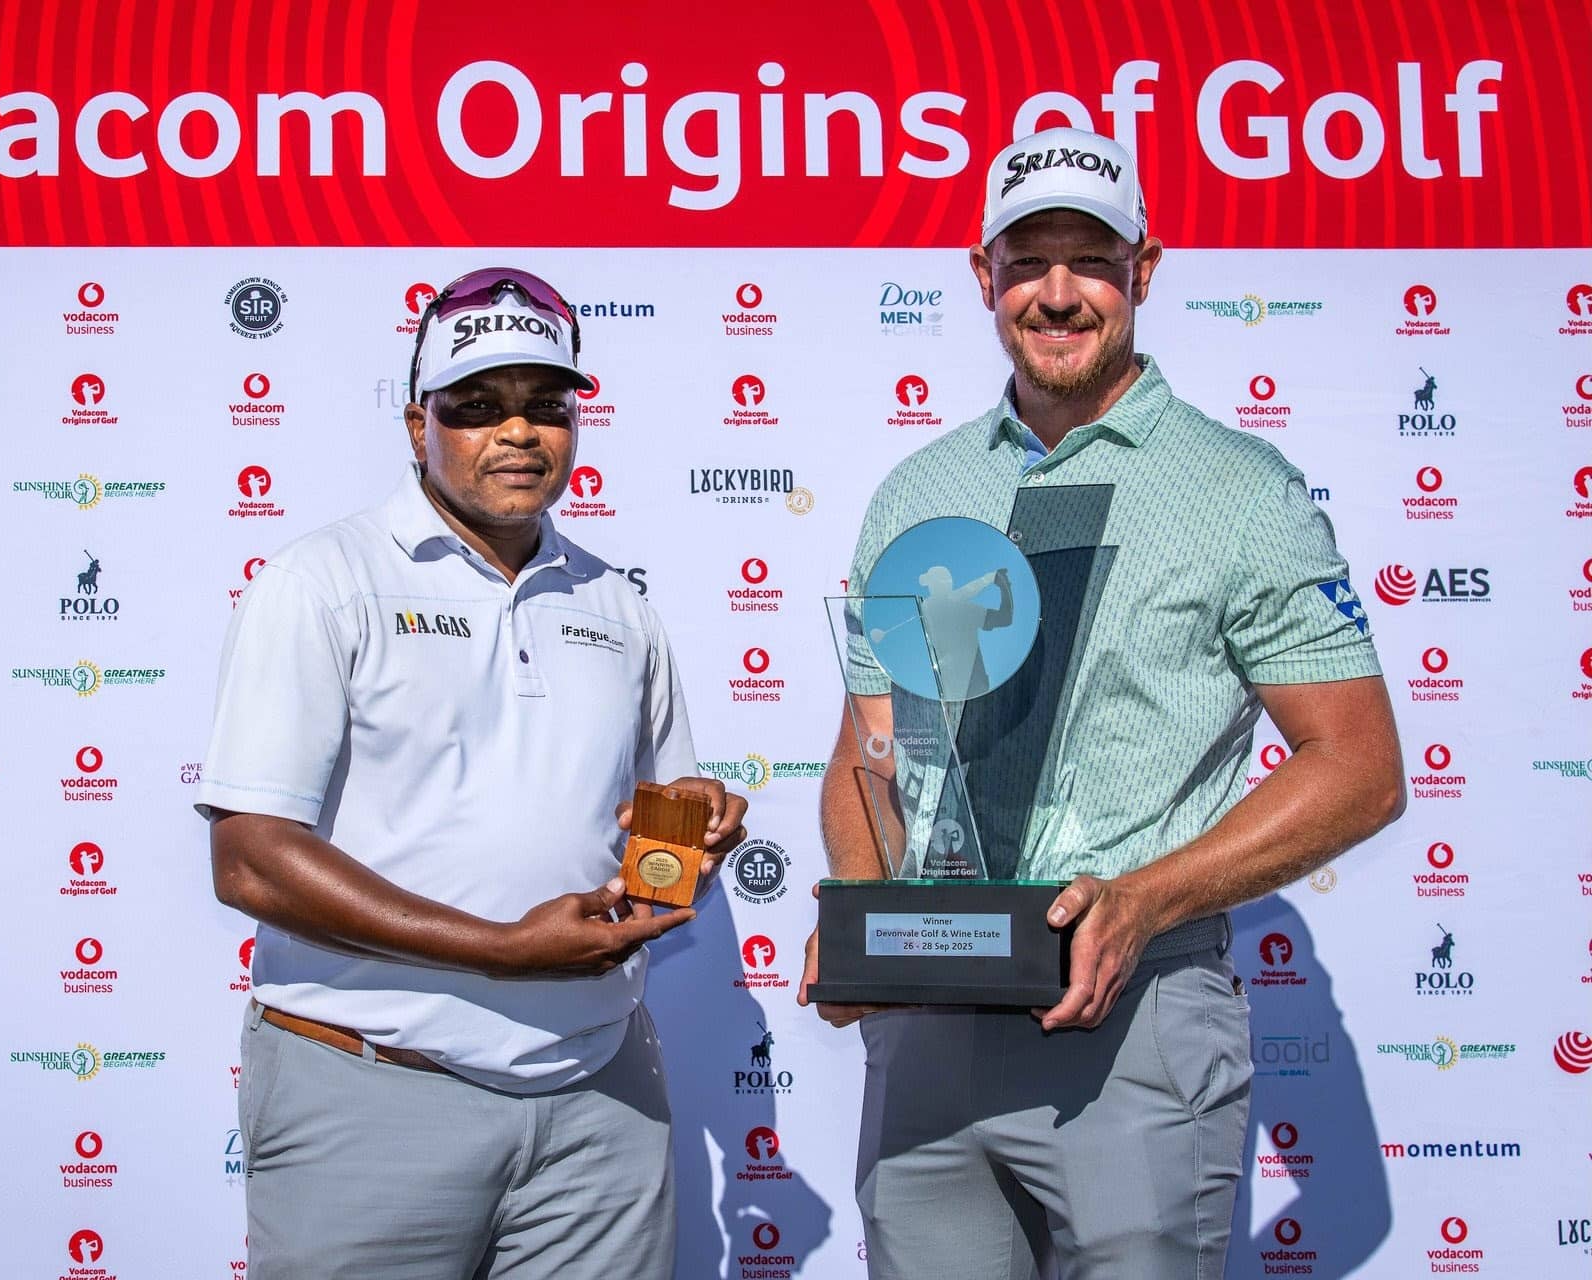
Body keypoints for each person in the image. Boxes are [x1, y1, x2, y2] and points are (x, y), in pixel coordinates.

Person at [797, 127, 1405, 1278]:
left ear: (1145, 269)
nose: (1059, 292)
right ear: (984, 276)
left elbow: (1359, 766)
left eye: (1093, 257)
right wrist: (864, 927)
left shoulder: (1240, 491)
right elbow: (867, 750)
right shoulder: (922, 488)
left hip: (1133, 1018)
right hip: (930, 1033)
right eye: (1029, 260)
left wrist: (1143, 897)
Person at [198, 266, 746, 1279]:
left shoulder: (618, 607)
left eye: (546, 404)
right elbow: (251, 861)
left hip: (599, 1099)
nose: (519, 432)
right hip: (370, 1091)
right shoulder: (324, 581)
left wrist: (699, 831)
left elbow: (659, 829)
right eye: (477, 406)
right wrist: (501, 947)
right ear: (418, 426)